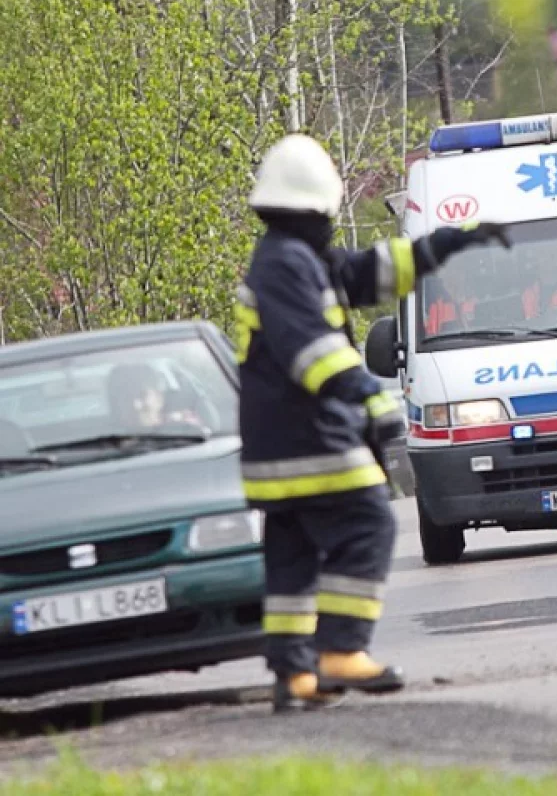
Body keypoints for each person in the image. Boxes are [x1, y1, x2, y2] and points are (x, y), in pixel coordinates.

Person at [235, 133, 510, 713]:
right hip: (310, 438)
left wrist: (444, 245)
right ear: (319, 208)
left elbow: (365, 273)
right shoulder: (287, 264)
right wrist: (370, 397)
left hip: (274, 449)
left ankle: (295, 672)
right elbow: (310, 351)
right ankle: (341, 650)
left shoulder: (292, 258)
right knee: (369, 525)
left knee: (293, 557)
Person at [106, 363, 202, 431]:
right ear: (117, 405)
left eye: (142, 395)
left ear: (159, 398)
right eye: (127, 398)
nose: (136, 405)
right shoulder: (105, 446)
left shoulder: (185, 428)